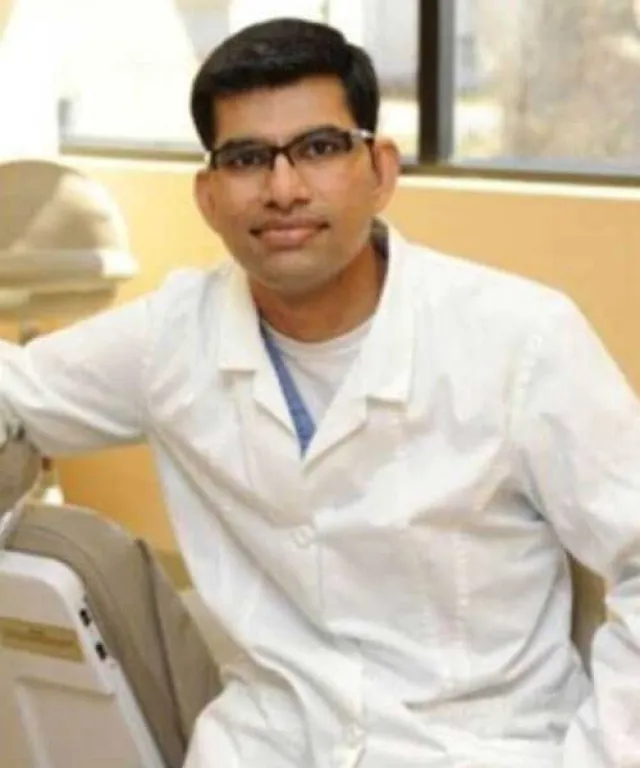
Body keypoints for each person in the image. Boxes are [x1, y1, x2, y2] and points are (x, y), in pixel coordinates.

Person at [1, 17, 640, 768]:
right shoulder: (170, 337)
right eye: (246, 158)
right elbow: (14, 392)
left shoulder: (522, 338)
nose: (283, 188)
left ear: (381, 169)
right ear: (208, 196)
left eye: (319, 147)